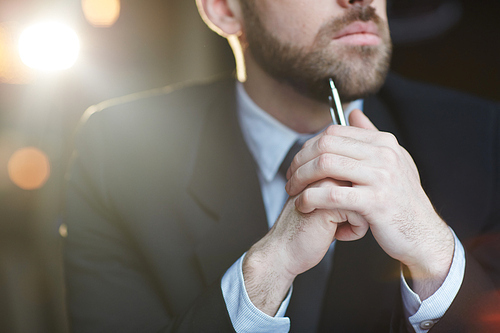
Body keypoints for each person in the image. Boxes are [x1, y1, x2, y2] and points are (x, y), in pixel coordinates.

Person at [63, 0, 500, 332]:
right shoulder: (116, 153)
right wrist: (265, 273)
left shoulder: (482, 138)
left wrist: (436, 257)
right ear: (225, 8)